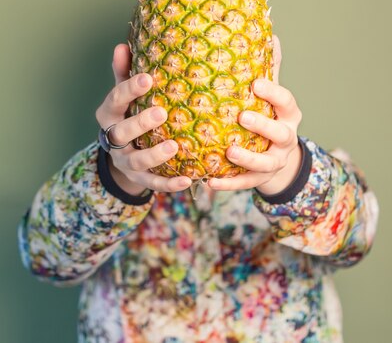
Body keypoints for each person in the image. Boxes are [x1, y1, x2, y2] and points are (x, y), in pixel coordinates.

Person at [17, 35, 378, 342]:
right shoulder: (100, 177)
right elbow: (45, 259)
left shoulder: (309, 168)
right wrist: (115, 173)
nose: (206, 77)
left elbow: (357, 239)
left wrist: (289, 172)